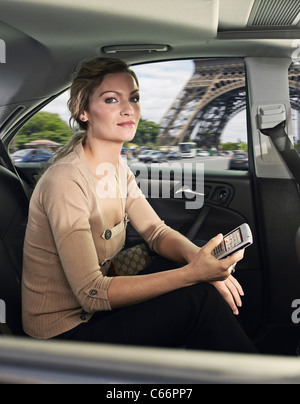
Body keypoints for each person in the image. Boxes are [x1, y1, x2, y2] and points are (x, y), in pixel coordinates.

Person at [21, 57, 257, 353]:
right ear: (83, 111)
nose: (128, 109)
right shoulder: (66, 181)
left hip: (94, 313)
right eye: (111, 99)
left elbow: (156, 232)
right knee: (199, 298)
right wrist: (193, 274)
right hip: (64, 335)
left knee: (186, 262)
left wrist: (197, 259)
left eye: (133, 98)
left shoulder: (117, 169)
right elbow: (91, 293)